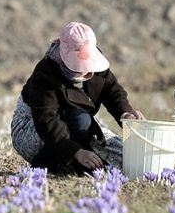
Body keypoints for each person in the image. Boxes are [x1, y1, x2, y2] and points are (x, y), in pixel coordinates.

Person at [11, 21, 144, 175]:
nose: (85, 71)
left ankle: (75, 164)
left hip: (79, 128)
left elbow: (113, 92)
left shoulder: (96, 63)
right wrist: (76, 151)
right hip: (36, 130)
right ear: (65, 55)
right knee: (81, 121)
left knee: (124, 159)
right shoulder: (46, 73)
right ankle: (48, 164)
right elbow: (46, 121)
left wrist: (126, 114)